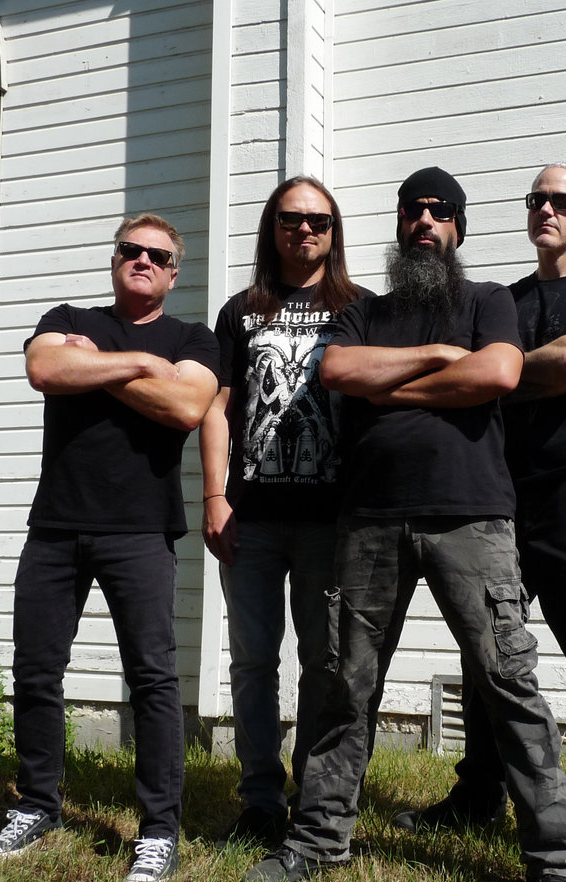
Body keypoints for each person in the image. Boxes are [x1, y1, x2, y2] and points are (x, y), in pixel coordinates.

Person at [243, 167, 566, 882]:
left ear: (458, 228)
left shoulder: (488, 301)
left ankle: (556, 871)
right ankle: (317, 839)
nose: (425, 221)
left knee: (508, 684)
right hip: (368, 519)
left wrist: (391, 388)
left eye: (441, 212)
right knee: (345, 685)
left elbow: (499, 371)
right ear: (400, 223)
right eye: (414, 210)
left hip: (473, 516)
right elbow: (338, 370)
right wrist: (440, 355)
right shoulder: (364, 311)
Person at [393, 163, 566, 882]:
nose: (548, 208)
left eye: (564, 200)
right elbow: (478, 382)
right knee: (492, 664)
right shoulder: (505, 301)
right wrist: (502, 367)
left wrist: (509, 367)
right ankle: (477, 795)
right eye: (538, 199)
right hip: (505, 500)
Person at [0, 214, 219, 882]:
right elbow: (44, 367)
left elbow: (186, 409)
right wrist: (142, 366)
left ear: (174, 273)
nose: (143, 260)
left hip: (141, 531)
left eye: (158, 256)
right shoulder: (67, 317)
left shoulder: (193, 339)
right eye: (131, 250)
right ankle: (37, 805)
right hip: (56, 526)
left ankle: (159, 830)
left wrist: (99, 367)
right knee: (36, 671)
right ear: (115, 259)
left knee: (152, 679)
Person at [200, 176, 368, 847]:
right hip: (254, 517)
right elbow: (218, 407)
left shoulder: (359, 309)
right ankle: (261, 800)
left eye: (318, 221)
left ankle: (315, 793)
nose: (304, 229)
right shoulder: (241, 311)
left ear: (334, 232)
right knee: (252, 662)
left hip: (332, 520)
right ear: (272, 227)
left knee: (324, 664)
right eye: (290, 218)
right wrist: (215, 496)